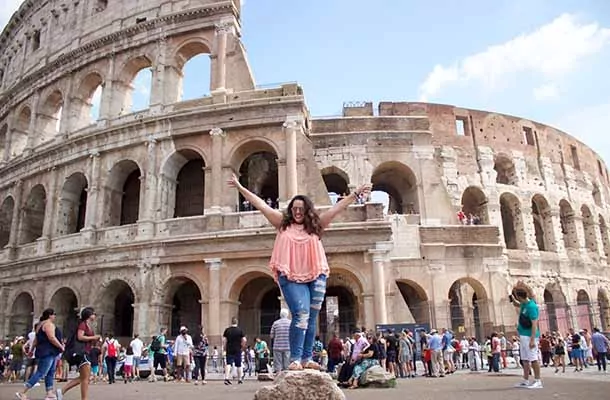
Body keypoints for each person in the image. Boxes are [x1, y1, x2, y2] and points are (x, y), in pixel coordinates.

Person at [228, 173, 371, 370]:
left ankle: (306, 358)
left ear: (307, 210)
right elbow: (261, 205)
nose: (297, 212)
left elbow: (337, 208)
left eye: (301, 209)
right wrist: (239, 187)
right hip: (291, 276)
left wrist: (355, 194)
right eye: (294, 209)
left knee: (312, 317)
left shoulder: (316, 225)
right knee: (301, 314)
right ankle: (295, 358)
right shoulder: (282, 224)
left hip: (316, 273)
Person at [17, 308, 64, 400]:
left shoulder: (39, 325)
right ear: (50, 315)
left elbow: (36, 340)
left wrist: (31, 350)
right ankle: (22, 391)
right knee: (41, 372)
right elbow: (51, 337)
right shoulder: (48, 324)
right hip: (48, 351)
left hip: (47, 351)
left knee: (50, 372)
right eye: (54, 314)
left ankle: (49, 393)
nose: (55, 316)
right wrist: (61, 346)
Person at [56, 306, 101, 400]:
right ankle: (84, 398)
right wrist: (93, 337)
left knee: (83, 377)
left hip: (86, 351)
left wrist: (94, 340)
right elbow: (80, 337)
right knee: (85, 378)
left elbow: (86, 339)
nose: (95, 315)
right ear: (89, 315)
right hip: (82, 352)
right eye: (93, 313)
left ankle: (62, 391)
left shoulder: (88, 326)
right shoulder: (83, 324)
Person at [510, 288, 542, 389]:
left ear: (520, 297)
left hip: (529, 336)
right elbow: (517, 304)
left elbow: (534, 324)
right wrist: (512, 299)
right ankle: (526, 380)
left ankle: (538, 381)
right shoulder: (524, 304)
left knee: (533, 358)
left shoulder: (532, 307)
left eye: (517, 297)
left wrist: (532, 339)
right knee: (524, 359)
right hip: (523, 335)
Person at [223, 317, 245, 385]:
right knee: (238, 364)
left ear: (231, 322)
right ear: (237, 322)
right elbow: (244, 340)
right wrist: (242, 346)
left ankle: (226, 378)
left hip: (229, 348)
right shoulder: (240, 330)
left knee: (228, 363)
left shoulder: (227, 330)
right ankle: (240, 379)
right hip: (237, 349)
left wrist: (224, 347)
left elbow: (224, 340)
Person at [270, 309, 291, 373]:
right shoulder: (290, 323)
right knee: (287, 365)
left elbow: (271, 336)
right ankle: (285, 378)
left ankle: (278, 377)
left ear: (280, 315)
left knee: (278, 365)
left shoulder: (275, 323)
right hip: (287, 346)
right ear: (287, 315)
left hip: (277, 346)